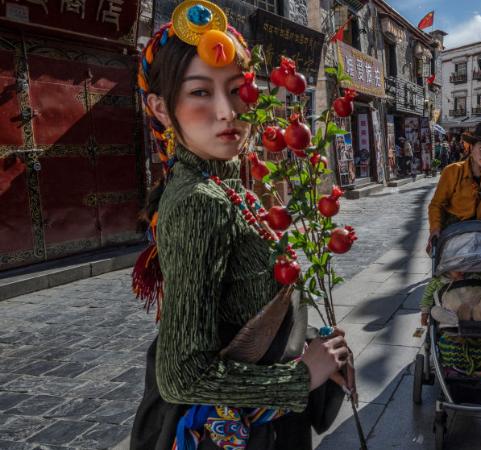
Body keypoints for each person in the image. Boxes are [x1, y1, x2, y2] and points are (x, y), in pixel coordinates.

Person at [129, 3, 352, 448]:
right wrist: (301, 377)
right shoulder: (199, 201)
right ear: (160, 107)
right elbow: (181, 376)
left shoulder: (227, 184)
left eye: (237, 89)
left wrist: (309, 341)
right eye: (199, 93)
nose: (227, 110)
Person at [428, 122, 481, 253]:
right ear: (471, 148)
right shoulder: (452, 171)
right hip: (453, 234)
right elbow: (436, 205)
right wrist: (435, 228)